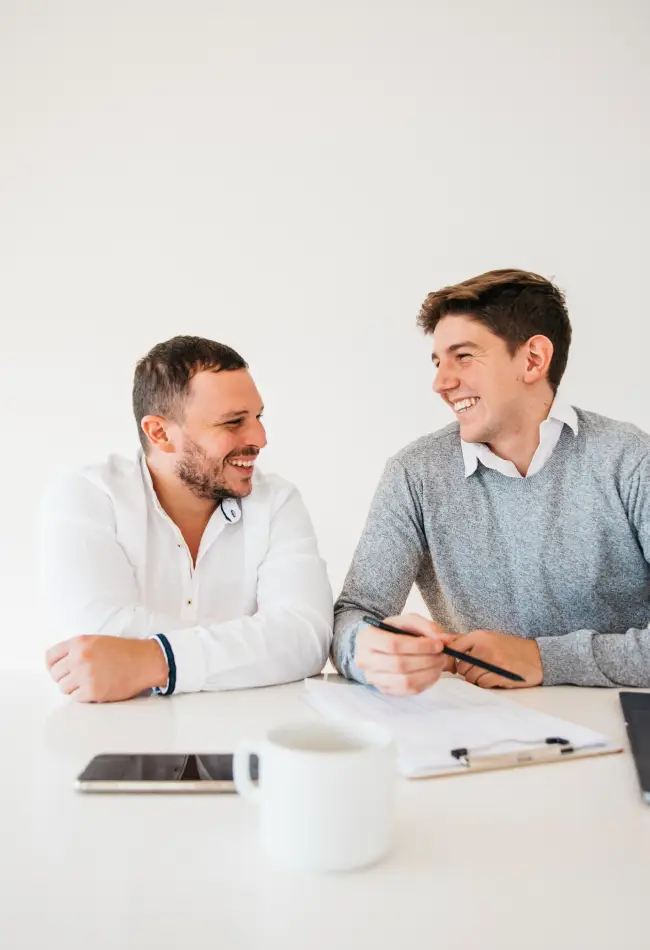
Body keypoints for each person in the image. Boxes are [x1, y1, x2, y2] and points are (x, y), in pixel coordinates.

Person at [332, 268, 650, 694]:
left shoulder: (629, 459)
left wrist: (541, 657)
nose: (441, 383)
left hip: (624, 730)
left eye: (463, 356)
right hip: (483, 735)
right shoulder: (414, 474)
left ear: (533, 359)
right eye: (438, 361)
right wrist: (368, 649)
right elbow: (355, 613)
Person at [42, 336, 332, 702]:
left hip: (243, 741)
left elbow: (305, 638)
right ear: (160, 433)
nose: (260, 437)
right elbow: (93, 638)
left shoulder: (277, 501)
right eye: (232, 423)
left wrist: (154, 660)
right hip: (124, 744)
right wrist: (257, 645)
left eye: (258, 416)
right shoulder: (87, 494)